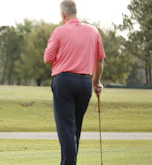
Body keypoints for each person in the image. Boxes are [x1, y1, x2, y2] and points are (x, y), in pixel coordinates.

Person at [44, 0, 105, 164]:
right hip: (85, 82)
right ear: (76, 12)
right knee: (75, 128)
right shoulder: (93, 31)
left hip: (64, 82)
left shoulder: (59, 31)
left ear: (63, 14)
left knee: (66, 130)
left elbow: (48, 58)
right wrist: (96, 82)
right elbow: (99, 61)